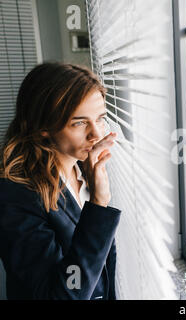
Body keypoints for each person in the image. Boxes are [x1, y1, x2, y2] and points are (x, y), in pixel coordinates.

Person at [0, 62, 120, 300]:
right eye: (79, 122)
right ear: (44, 126)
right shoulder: (16, 196)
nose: (96, 134)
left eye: (100, 118)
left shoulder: (85, 170)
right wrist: (98, 206)